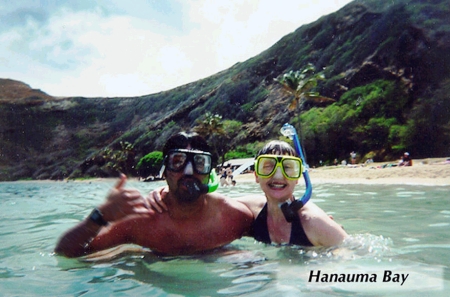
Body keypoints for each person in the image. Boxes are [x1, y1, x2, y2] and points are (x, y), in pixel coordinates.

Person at [55, 132, 253, 258]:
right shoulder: (140, 220)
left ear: (209, 171)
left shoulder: (233, 216)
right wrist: (99, 217)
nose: (188, 171)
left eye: (199, 163)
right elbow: (67, 253)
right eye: (178, 161)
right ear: (165, 171)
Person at [150, 140, 348, 247]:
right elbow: (204, 203)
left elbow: (354, 260)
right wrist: (168, 191)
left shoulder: (313, 222)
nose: (277, 176)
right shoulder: (250, 208)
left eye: (288, 168)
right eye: (267, 167)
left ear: (298, 177)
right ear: (256, 175)